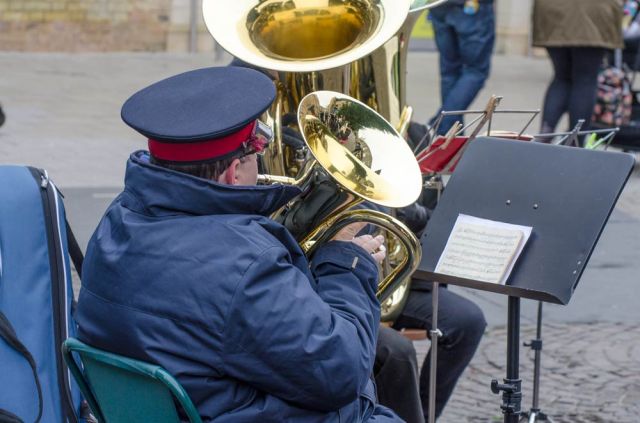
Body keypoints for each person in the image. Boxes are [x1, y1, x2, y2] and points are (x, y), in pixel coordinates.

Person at [74, 66, 403, 422]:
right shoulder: (245, 265)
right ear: (234, 171)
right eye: (256, 152)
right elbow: (343, 371)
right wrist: (346, 265)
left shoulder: (119, 215)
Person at [533, 0, 624, 142]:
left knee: (561, 77)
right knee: (585, 79)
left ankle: (545, 133)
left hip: (553, 9)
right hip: (593, 11)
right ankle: (576, 141)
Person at [427, 0, 496, 136]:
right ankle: (440, 125)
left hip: (439, 5)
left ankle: (452, 136)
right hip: (471, 7)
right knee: (476, 71)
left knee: (450, 71)